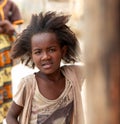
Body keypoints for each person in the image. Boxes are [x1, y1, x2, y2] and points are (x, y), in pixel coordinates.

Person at [6, 11, 85, 124]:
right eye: (38, 52)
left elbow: (98, 66)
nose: (45, 57)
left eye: (52, 50)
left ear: (63, 51)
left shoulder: (73, 75)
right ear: (31, 56)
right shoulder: (28, 85)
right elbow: (10, 117)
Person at [0, 0, 23, 123]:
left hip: (4, 56)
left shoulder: (11, 6)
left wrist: (10, 27)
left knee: (4, 83)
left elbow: (19, 32)